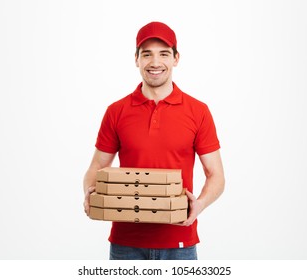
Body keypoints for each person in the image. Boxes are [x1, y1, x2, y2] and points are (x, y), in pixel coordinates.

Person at [83, 21, 225, 260]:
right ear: (136, 59)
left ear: (176, 59)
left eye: (164, 54)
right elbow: (97, 167)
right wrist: (89, 193)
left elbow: (217, 175)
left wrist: (199, 205)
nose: (155, 62)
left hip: (179, 242)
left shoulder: (198, 111)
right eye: (147, 54)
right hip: (125, 243)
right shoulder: (116, 111)